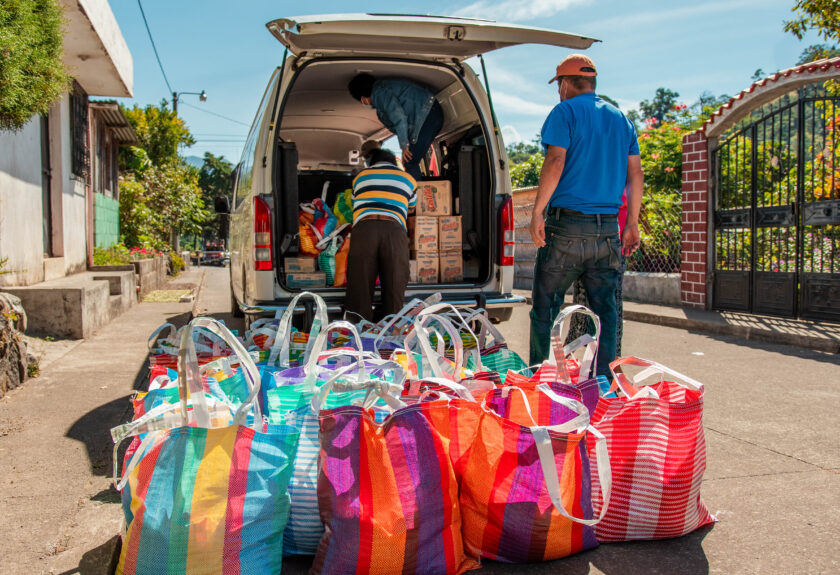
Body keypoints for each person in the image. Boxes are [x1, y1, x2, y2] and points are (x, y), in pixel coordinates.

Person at [528, 54, 644, 378]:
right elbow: (635, 174)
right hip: (608, 230)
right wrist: (631, 223)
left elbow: (555, 161)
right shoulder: (622, 119)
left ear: (564, 84)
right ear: (592, 83)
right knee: (605, 313)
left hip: (566, 227)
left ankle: (539, 382)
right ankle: (605, 388)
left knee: (546, 310)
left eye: (559, 86)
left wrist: (538, 212)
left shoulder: (564, 112)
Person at [345, 148, 417, 321]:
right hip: (394, 230)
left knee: (360, 285)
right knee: (394, 284)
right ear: (393, 162)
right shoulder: (409, 179)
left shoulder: (360, 177)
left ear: (373, 162)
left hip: (364, 230)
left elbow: (356, 204)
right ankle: (391, 330)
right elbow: (411, 210)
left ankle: (359, 330)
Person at [348, 73, 444, 180]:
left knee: (410, 161)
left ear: (363, 99)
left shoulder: (380, 93)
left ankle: (417, 195)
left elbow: (399, 117)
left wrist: (404, 145)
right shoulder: (383, 94)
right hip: (429, 114)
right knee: (410, 160)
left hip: (428, 115)